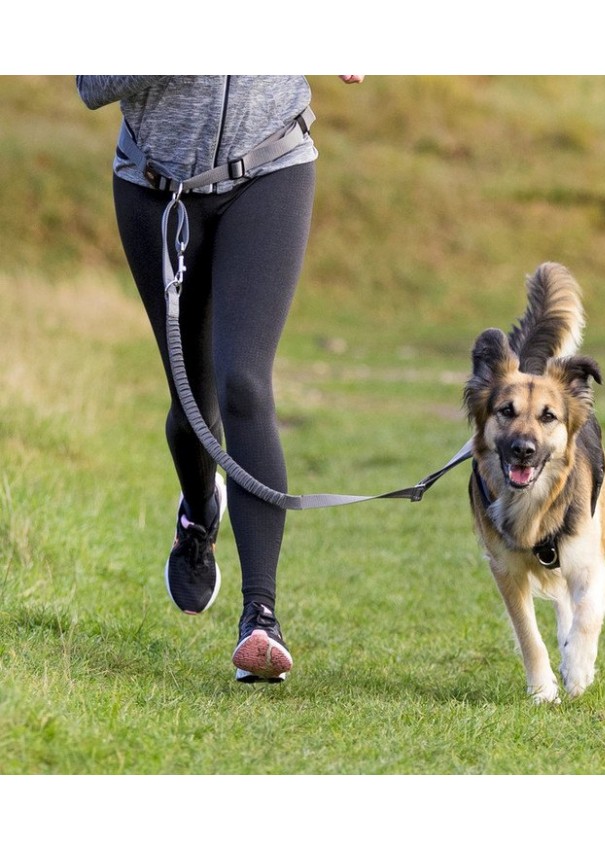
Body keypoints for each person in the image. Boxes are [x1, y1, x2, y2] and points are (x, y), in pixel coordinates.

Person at [76, 75, 364, 683]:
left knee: (245, 386)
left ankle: (261, 618)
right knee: (193, 404)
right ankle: (200, 514)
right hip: (155, 189)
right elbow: (92, 84)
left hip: (271, 166)